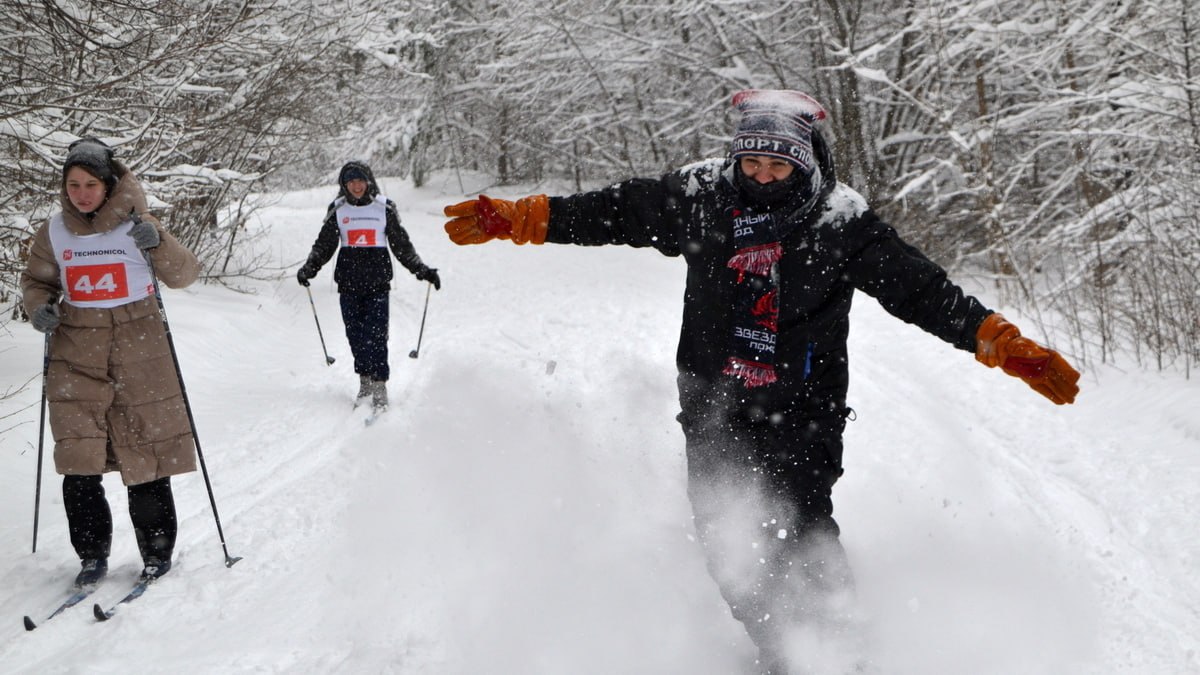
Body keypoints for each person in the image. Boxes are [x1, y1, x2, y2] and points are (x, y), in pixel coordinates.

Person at [443, 90, 1081, 674]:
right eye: (752, 164)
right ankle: (782, 648)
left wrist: (998, 341)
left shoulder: (838, 220)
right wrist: (523, 217)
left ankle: (838, 653)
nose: (763, 177)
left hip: (804, 407)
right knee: (728, 536)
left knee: (803, 529)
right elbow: (613, 212)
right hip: (713, 402)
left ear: (806, 164)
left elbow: (919, 288)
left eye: (779, 167)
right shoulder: (701, 198)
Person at [21, 137, 202, 588]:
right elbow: (38, 282)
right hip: (75, 355)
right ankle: (91, 555)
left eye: (91, 184)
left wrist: (158, 241)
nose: (82, 193)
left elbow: (184, 274)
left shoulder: (138, 225)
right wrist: (39, 306)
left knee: (145, 457)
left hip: (140, 352)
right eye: (73, 184)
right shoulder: (54, 232)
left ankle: (157, 553)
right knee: (79, 460)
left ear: (109, 184)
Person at [296, 161, 441, 412]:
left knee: (376, 335)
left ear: (369, 181)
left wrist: (422, 270)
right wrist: (310, 267)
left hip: (377, 283)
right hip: (348, 283)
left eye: (360, 180)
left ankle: (380, 384)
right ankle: (364, 381)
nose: (356, 186)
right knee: (355, 335)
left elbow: (401, 245)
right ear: (344, 184)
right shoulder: (338, 210)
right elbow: (325, 245)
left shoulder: (383, 208)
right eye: (351, 181)